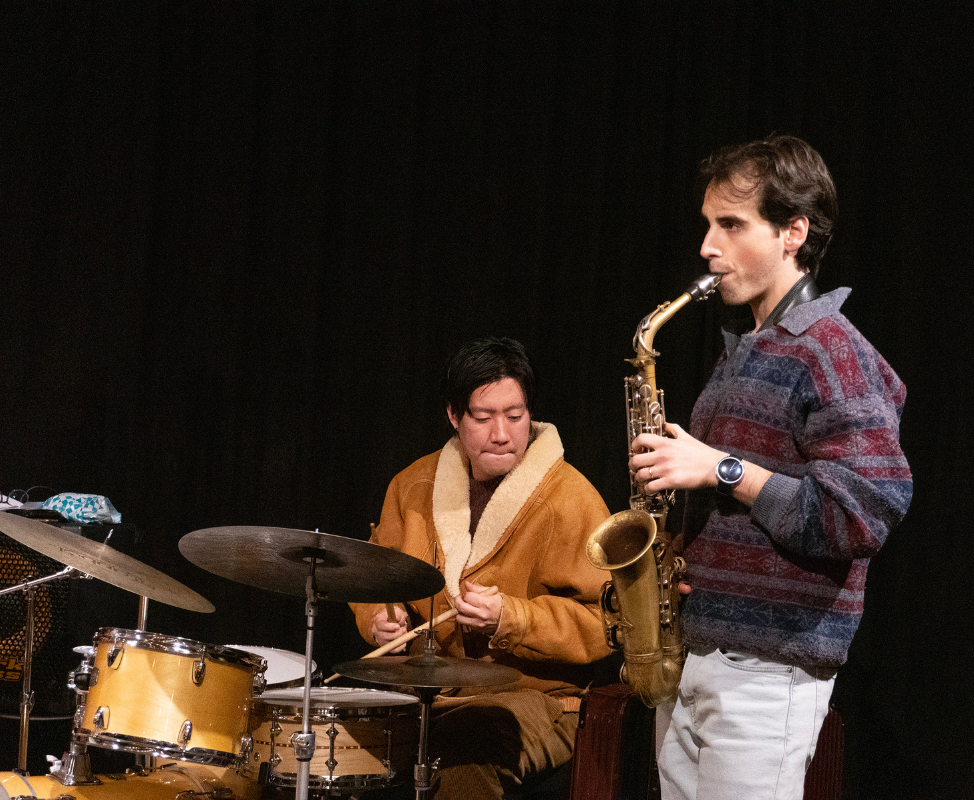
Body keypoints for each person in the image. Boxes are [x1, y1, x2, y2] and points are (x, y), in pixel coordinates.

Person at [628, 135, 912, 800]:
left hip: (766, 675)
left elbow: (861, 514)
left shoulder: (833, 351)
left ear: (794, 233)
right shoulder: (749, 350)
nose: (708, 246)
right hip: (700, 658)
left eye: (731, 225)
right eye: (707, 224)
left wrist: (722, 470)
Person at [350, 336, 616, 799]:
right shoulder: (412, 486)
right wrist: (379, 618)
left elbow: (608, 622)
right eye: (483, 417)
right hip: (431, 694)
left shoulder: (572, 499)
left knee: (465, 747)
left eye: (515, 416)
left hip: (543, 701)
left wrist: (512, 618)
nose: (501, 433)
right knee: (342, 746)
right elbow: (373, 577)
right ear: (454, 416)